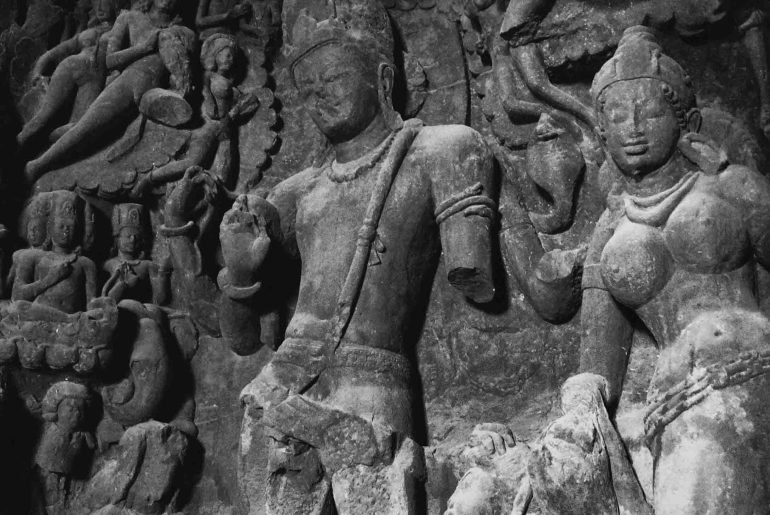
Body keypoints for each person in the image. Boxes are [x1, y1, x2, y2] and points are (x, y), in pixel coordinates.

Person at [199, 1, 498, 512]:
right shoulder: (295, 194)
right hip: (283, 383)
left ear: (383, 78)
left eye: (333, 78)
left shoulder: (442, 151)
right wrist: (242, 271)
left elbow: (477, 281)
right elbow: (242, 338)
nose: (319, 96)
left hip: (370, 381)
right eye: (307, 88)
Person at [566, 26, 770, 513]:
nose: (633, 127)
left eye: (652, 112)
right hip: (670, 398)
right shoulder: (609, 229)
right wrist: (575, 409)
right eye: (617, 117)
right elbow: (597, 363)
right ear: (601, 134)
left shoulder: (734, 187)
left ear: (687, 121)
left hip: (750, 367)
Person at [24, 0, 195, 183]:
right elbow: (110, 61)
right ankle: (38, 165)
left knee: (94, 132)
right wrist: (143, 48)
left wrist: (179, 82)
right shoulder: (130, 17)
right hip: (129, 80)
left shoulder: (186, 33)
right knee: (86, 128)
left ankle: (52, 145)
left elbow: (184, 73)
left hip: (154, 93)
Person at [17, 0, 121, 151]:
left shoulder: (124, 27)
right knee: (43, 117)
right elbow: (52, 54)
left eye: (104, 2)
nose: (99, 7)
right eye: (96, 2)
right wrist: (37, 72)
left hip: (93, 80)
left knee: (78, 127)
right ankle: (14, 150)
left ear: (115, 4)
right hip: (71, 67)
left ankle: (47, 142)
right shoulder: (87, 33)